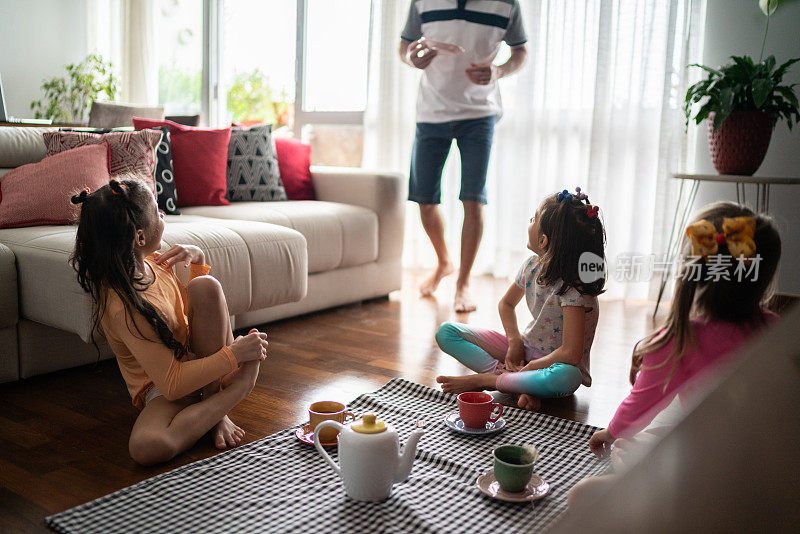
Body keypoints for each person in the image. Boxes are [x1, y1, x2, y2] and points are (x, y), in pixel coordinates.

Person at [569, 202, 782, 507]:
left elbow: (639, 405)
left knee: (582, 494)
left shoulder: (680, 341)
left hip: (706, 478)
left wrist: (610, 432)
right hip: (761, 469)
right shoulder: (773, 330)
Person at [70, 178, 270, 466]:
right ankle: (234, 393)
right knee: (146, 446)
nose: (162, 216)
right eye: (157, 212)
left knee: (206, 286)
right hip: (165, 387)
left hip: (201, 365)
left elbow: (191, 316)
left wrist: (198, 260)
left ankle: (214, 407)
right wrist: (235, 355)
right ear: (138, 237)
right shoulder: (122, 307)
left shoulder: (151, 260)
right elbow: (173, 384)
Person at [399, 0, 528, 312]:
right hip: (431, 112)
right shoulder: (422, 2)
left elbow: (520, 52)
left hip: (479, 114)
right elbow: (404, 47)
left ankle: (463, 283)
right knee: (425, 200)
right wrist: (412, 59)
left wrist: (498, 70)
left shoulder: (507, 5)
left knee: (473, 198)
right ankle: (444, 262)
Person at [435, 189, 605, 411]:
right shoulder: (531, 266)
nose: (530, 222)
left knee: (568, 376)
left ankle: (490, 380)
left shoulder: (576, 289)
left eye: (534, 219)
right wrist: (514, 341)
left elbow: (570, 353)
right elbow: (506, 305)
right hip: (526, 350)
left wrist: (530, 368)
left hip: (555, 367)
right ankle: (519, 385)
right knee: (446, 332)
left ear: (543, 240)